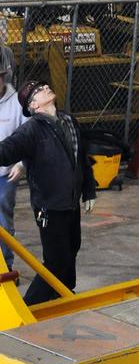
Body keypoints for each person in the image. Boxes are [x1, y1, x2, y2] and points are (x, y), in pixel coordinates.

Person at [0, 81, 96, 304]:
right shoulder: (32, 130)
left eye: (45, 86)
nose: (46, 88)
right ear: (33, 105)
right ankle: (30, 305)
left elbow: (82, 159)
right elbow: (7, 150)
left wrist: (89, 191)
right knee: (55, 260)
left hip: (70, 202)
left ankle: (64, 292)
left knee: (72, 248)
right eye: (40, 90)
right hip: (49, 206)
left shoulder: (69, 120)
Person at [0, 51, 24, 270]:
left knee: (3, 219)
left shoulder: (17, 103)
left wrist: (21, 163)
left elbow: (30, 136)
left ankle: (6, 266)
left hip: (6, 175)